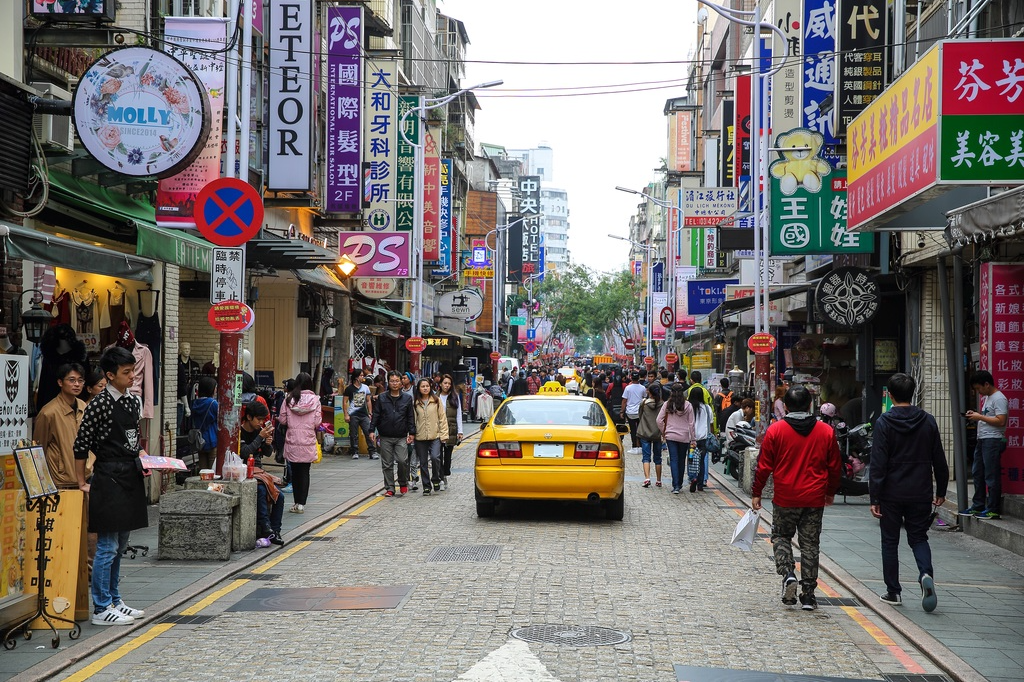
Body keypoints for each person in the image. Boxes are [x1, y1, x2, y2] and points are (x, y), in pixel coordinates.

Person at [73, 346, 148, 625]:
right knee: (107, 544)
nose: (132, 377)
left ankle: (116, 599)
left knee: (122, 543)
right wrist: (81, 481)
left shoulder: (132, 402)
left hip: (130, 474)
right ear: (109, 375)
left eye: (133, 371)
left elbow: (134, 440)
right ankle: (101, 606)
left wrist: (144, 460)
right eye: (126, 373)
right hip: (107, 474)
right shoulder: (99, 404)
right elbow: (80, 446)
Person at [752, 385, 842, 611]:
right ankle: (809, 595)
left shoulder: (776, 431)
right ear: (810, 405)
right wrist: (830, 491)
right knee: (810, 544)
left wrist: (757, 492)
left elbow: (763, 466)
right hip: (814, 497)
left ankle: (789, 574)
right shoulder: (825, 432)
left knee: (781, 536)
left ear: (787, 406)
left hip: (785, 497)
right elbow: (834, 467)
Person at [870, 373, 948, 612]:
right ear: (913, 393)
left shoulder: (884, 422)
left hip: (891, 492)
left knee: (890, 541)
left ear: (890, 396)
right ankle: (925, 574)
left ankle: (893, 592)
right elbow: (939, 459)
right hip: (920, 490)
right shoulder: (928, 420)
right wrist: (941, 489)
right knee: (919, 538)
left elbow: (878, 462)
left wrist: (875, 497)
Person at [34, 362, 87, 489]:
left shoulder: (84, 407)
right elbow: (38, 448)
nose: (77, 384)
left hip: (85, 475)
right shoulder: (48, 412)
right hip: (61, 480)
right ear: (60, 382)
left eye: (80, 380)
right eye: (72, 380)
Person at [963, 370, 1008, 519]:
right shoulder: (989, 398)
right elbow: (989, 417)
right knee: (978, 473)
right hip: (983, 439)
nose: (978, 392)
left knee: (991, 475)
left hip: (993, 440)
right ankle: (978, 506)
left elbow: (1001, 420)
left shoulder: (999, 398)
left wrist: (979, 417)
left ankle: (993, 508)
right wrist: (976, 415)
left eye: (978, 388)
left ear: (986, 384)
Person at [239, 401, 284, 545]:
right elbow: (244, 452)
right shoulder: (240, 432)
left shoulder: (260, 431)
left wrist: (267, 443)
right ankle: (265, 527)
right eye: (259, 419)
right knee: (261, 490)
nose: (261, 422)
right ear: (249, 417)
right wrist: (260, 438)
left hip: (259, 472)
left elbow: (267, 453)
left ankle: (275, 531)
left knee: (279, 496)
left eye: (263, 419)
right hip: (244, 472)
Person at [278, 372, 321, 514]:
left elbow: (283, 420)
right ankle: (302, 504)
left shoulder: (289, 399)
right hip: (307, 440)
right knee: (305, 472)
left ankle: (296, 502)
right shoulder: (315, 400)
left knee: (295, 472)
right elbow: (317, 422)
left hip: (293, 440)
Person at [370, 371, 416, 497]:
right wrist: (371, 430)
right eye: (392, 381)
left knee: (402, 461)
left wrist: (412, 433)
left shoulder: (407, 398)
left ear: (401, 382)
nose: (394, 383)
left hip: (401, 436)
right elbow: (376, 415)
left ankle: (402, 483)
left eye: (397, 381)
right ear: (388, 382)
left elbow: (410, 417)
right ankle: (390, 487)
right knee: (387, 463)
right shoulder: (382, 397)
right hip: (385, 435)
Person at [412, 378, 448, 495]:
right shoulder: (415, 403)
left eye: (427, 386)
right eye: (423, 386)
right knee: (422, 463)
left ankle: (436, 479)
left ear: (430, 387)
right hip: (420, 436)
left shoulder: (436, 401)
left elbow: (442, 418)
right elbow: (413, 420)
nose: (425, 388)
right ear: (419, 388)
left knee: (435, 457)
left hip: (435, 435)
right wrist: (411, 434)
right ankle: (426, 486)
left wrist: (444, 434)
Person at [658, 383, 696, 494]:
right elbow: (691, 424)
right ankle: (679, 483)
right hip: (684, 436)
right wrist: (693, 439)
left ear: (671, 392)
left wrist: (663, 431)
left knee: (674, 459)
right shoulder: (688, 405)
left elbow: (658, 420)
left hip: (671, 435)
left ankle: (675, 486)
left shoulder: (667, 404)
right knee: (681, 460)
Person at [636, 383, 665, 488]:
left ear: (650, 393)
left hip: (645, 433)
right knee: (658, 458)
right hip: (657, 434)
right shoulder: (662, 404)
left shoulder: (644, 403)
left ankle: (647, 478)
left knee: (646, 457)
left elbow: (640, 416)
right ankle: (658, 480)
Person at [343, 370, 376, 460]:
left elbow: (368, 400)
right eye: (361, 375)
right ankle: (354, 451)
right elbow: (345, 402)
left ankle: (372, 452)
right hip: (353, 414)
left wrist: (370, 413)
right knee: (353, 434)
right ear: (356, 377)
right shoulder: (349, 389)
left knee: (368, 432)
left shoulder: (365, 388)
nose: (363, 377)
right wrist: (346, 414)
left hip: (364, 414)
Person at [437, 374, 463, 490]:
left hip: (451, 429)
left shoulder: (455, 396)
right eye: (445, 383)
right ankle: (441, 478)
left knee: (447, 456)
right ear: (440, 384)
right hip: (438, 430)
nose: (447, 385)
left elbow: (459, 414)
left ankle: (445, 474)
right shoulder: (434, 397)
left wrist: (460, 431)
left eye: (449, 383)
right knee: (438, 455)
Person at [687, 384, 715, 493]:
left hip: (691, 438)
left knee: (691, 459)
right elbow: (711, 423)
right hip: (703, 438)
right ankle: (700, 483)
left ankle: (692, 477)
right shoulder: (707, 408)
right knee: (702, 461)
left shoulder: (688, 407)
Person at [191, 376, 219, 471]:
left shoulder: (195, 403)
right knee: (212, 472)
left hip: (199, 441)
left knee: (203, 472)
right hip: (212, 440)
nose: (216, 390)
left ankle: (202, 486)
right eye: (215, 387)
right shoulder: (213, 403)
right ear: (211, 388)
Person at [621, 373, 647, 453]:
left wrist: (622, 411)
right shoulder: (643, 388)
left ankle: (634, 446)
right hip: (640, 412)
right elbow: (645, 398)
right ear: (639, 378)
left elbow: (624, 400)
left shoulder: (628, 388)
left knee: (633, 429)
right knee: (640, 429)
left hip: (630, 412)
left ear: (631, 378)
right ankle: (641, 446)